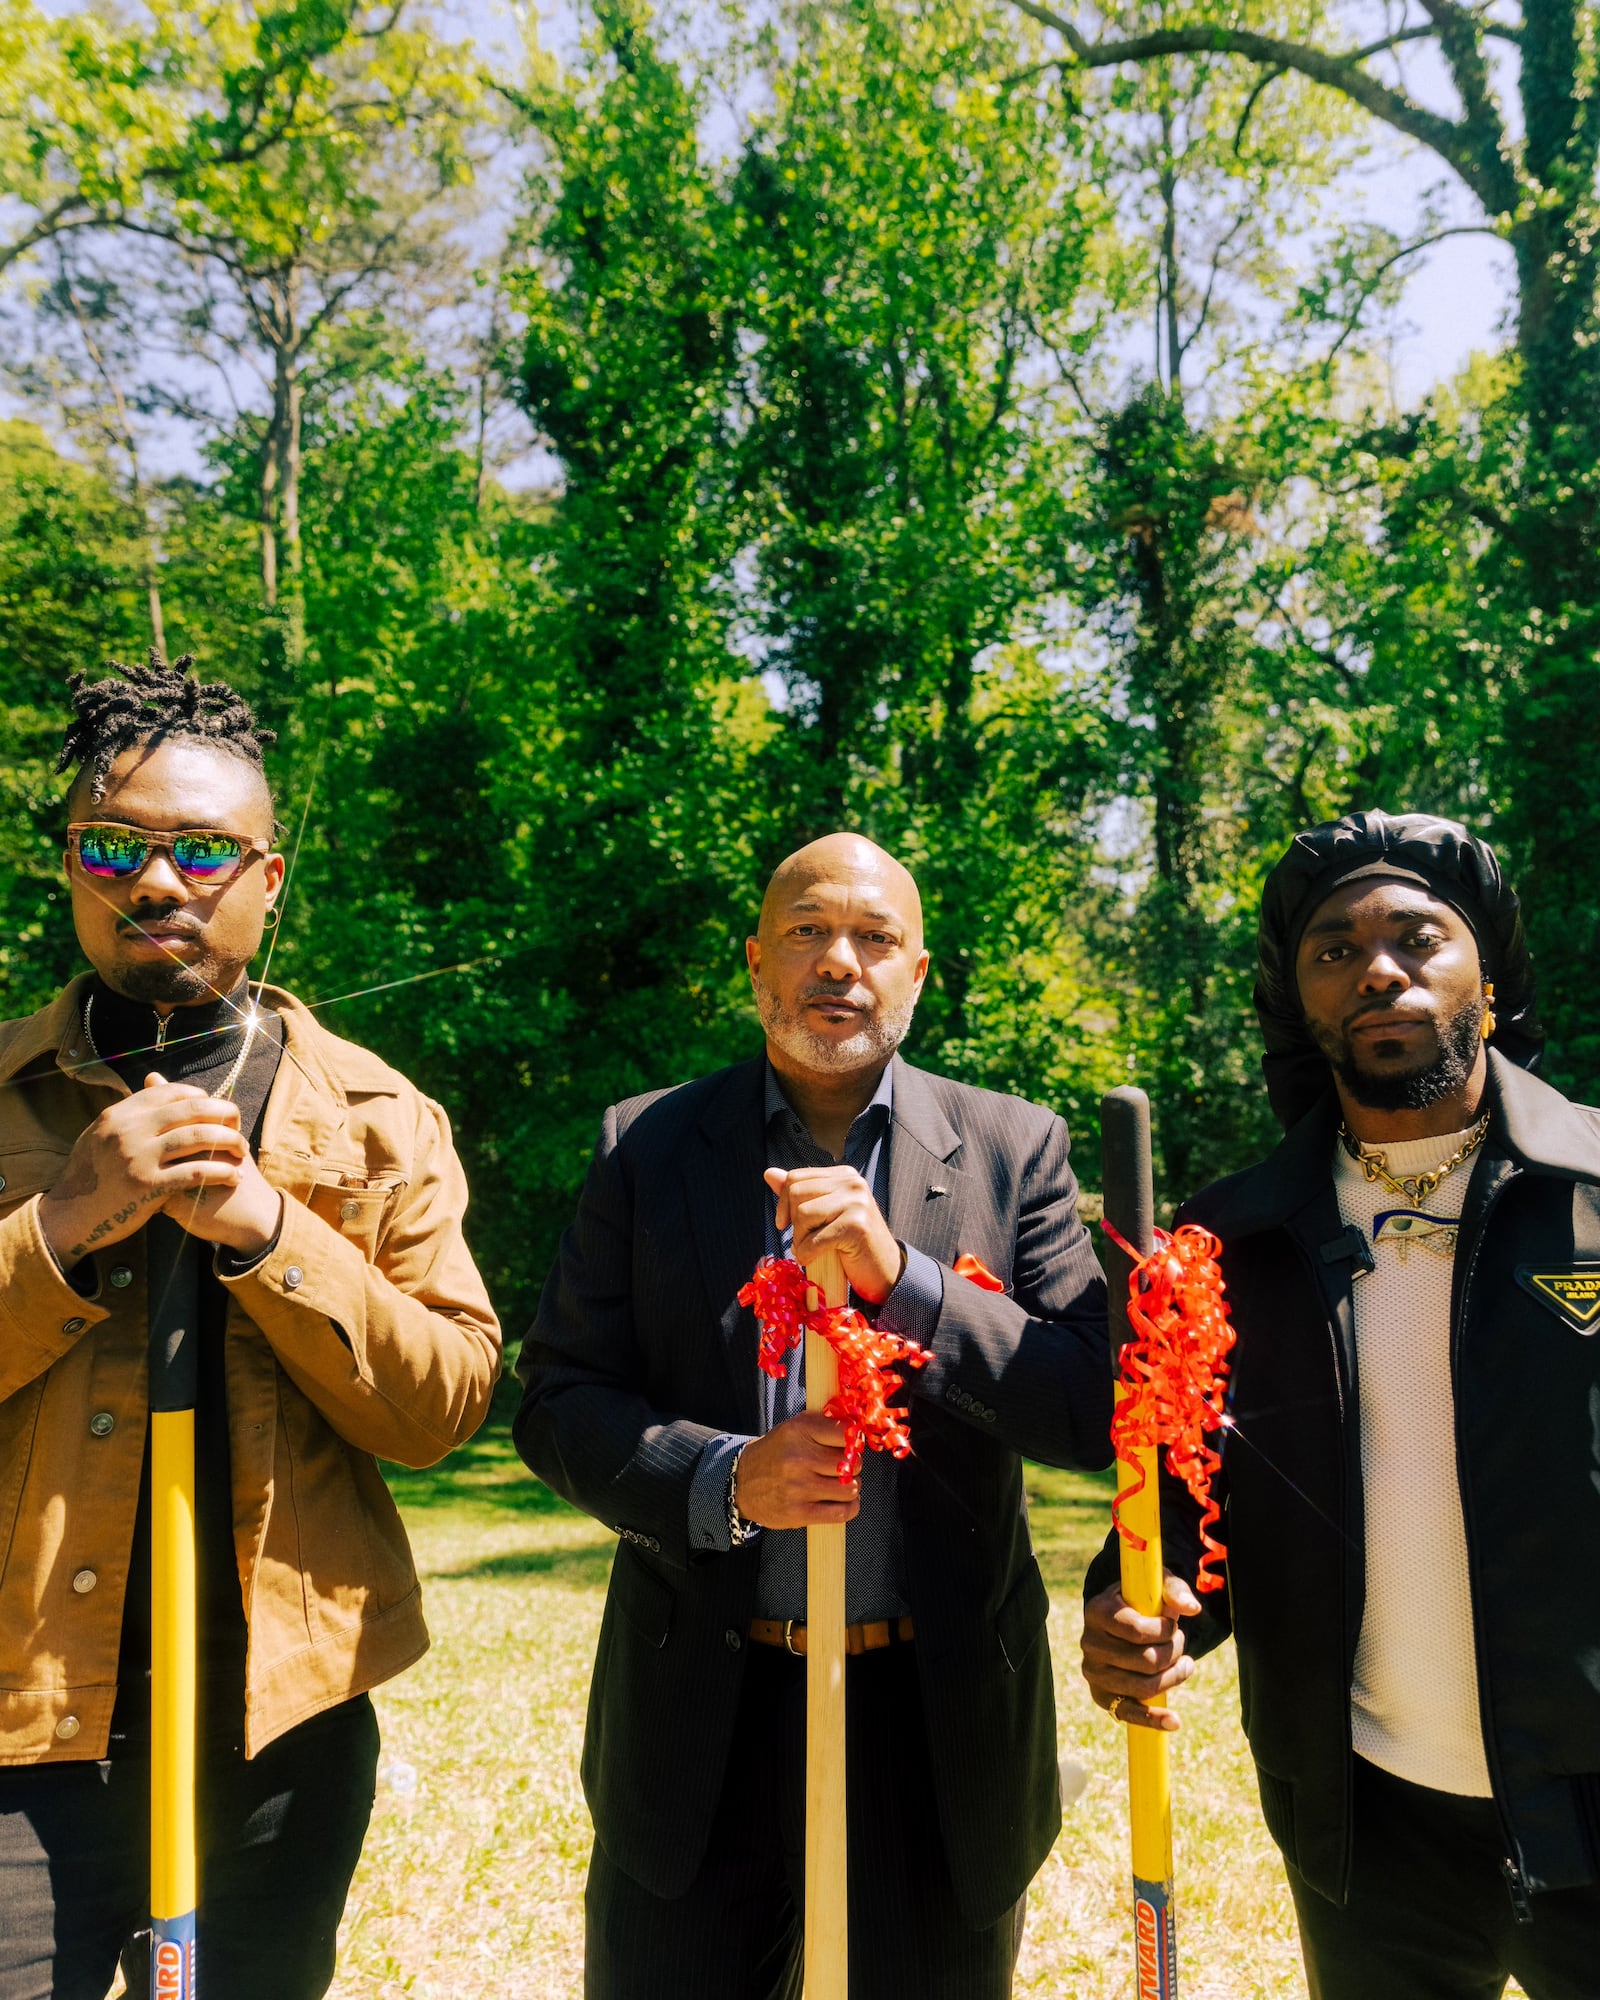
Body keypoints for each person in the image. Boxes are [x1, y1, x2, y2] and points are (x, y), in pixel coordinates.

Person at [515, 832, 1112, 1999]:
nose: (840, 961)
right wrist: (722, 1477)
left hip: (932, 1721)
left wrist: (907, 1279)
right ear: (755, 962)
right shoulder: (646, 1145)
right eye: (806, 931)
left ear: (918, 972)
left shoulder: (1013, 1148)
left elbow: (1088, 1406)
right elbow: (559, 1402)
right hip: (702, 1718)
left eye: (875, 937)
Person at [0, 654, 501, 2000]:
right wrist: (64, 1220)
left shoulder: (380, 1117)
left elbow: (445, 1405)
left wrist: (277, 1236)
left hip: (278, 1724)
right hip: (21, 1716)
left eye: (206, 854)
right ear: (69, 867)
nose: (158, 886)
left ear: (269, 881)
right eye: (113, 847)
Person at [1081, 809, 1600, 2000]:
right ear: (1297, 997)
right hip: (1369, 1825)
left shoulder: (1588, 1193)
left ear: (1489, 966)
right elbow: (1174, 1509)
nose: (1376, 966)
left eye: (1418, 936)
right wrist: (1132, 1602)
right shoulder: (1228, 1245)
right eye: (1332, 948)